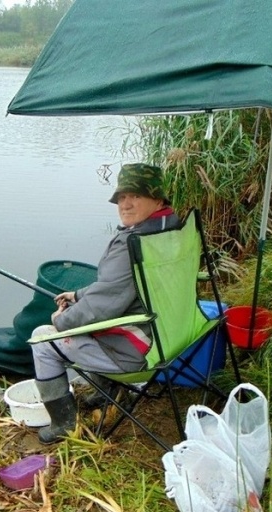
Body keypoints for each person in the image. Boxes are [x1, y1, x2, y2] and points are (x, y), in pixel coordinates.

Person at [31, 163, 180, 444]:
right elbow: (118, 287)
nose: (125, 204)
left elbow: (102, 306)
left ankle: (64, 424)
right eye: (121, 197)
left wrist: (60, 321)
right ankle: (105, 392)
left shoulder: (132, 243)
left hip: (139, 353)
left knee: (42, 341)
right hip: (173, 335)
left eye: (135, 195)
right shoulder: (173, 231)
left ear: (158, 200)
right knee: (84, 316)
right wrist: (78, 295)